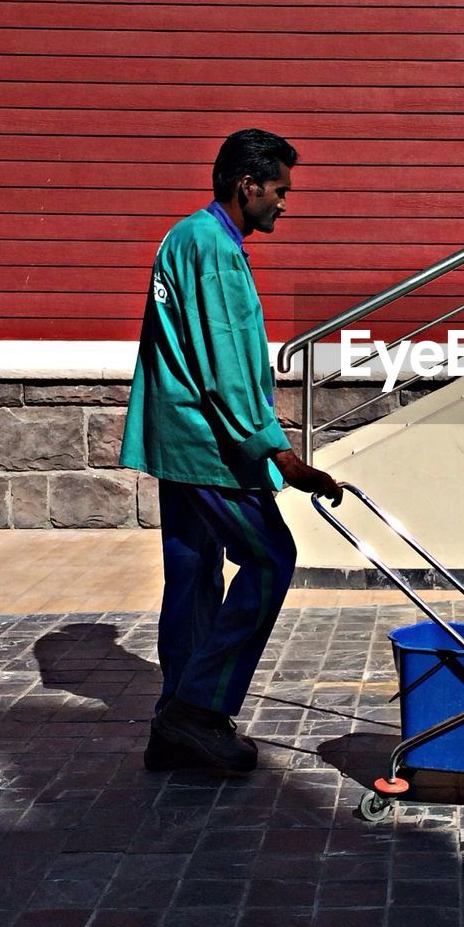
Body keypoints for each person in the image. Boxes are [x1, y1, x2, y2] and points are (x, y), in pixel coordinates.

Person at [120, 126, 342, 772]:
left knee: (192, 576)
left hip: (178, 441)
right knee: (271, 559)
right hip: (213, 447)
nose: (284, 202)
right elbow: (225, 366)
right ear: (247, 185)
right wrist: (279, 453)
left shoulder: (185, 235)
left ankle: (174, 725)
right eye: (279, 189)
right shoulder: (215, 248)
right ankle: (199, 710)